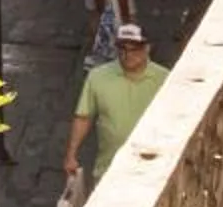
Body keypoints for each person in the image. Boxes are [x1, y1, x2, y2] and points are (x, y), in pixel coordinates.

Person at [67, 23, 167, 183]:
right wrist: (71, 154)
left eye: (133, 49)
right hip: (108, 170)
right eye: (122, 49)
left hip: (151, 172)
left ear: (147, 48)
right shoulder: (98, 77)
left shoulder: (165, 80)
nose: (127, 55)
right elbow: (84, 117)